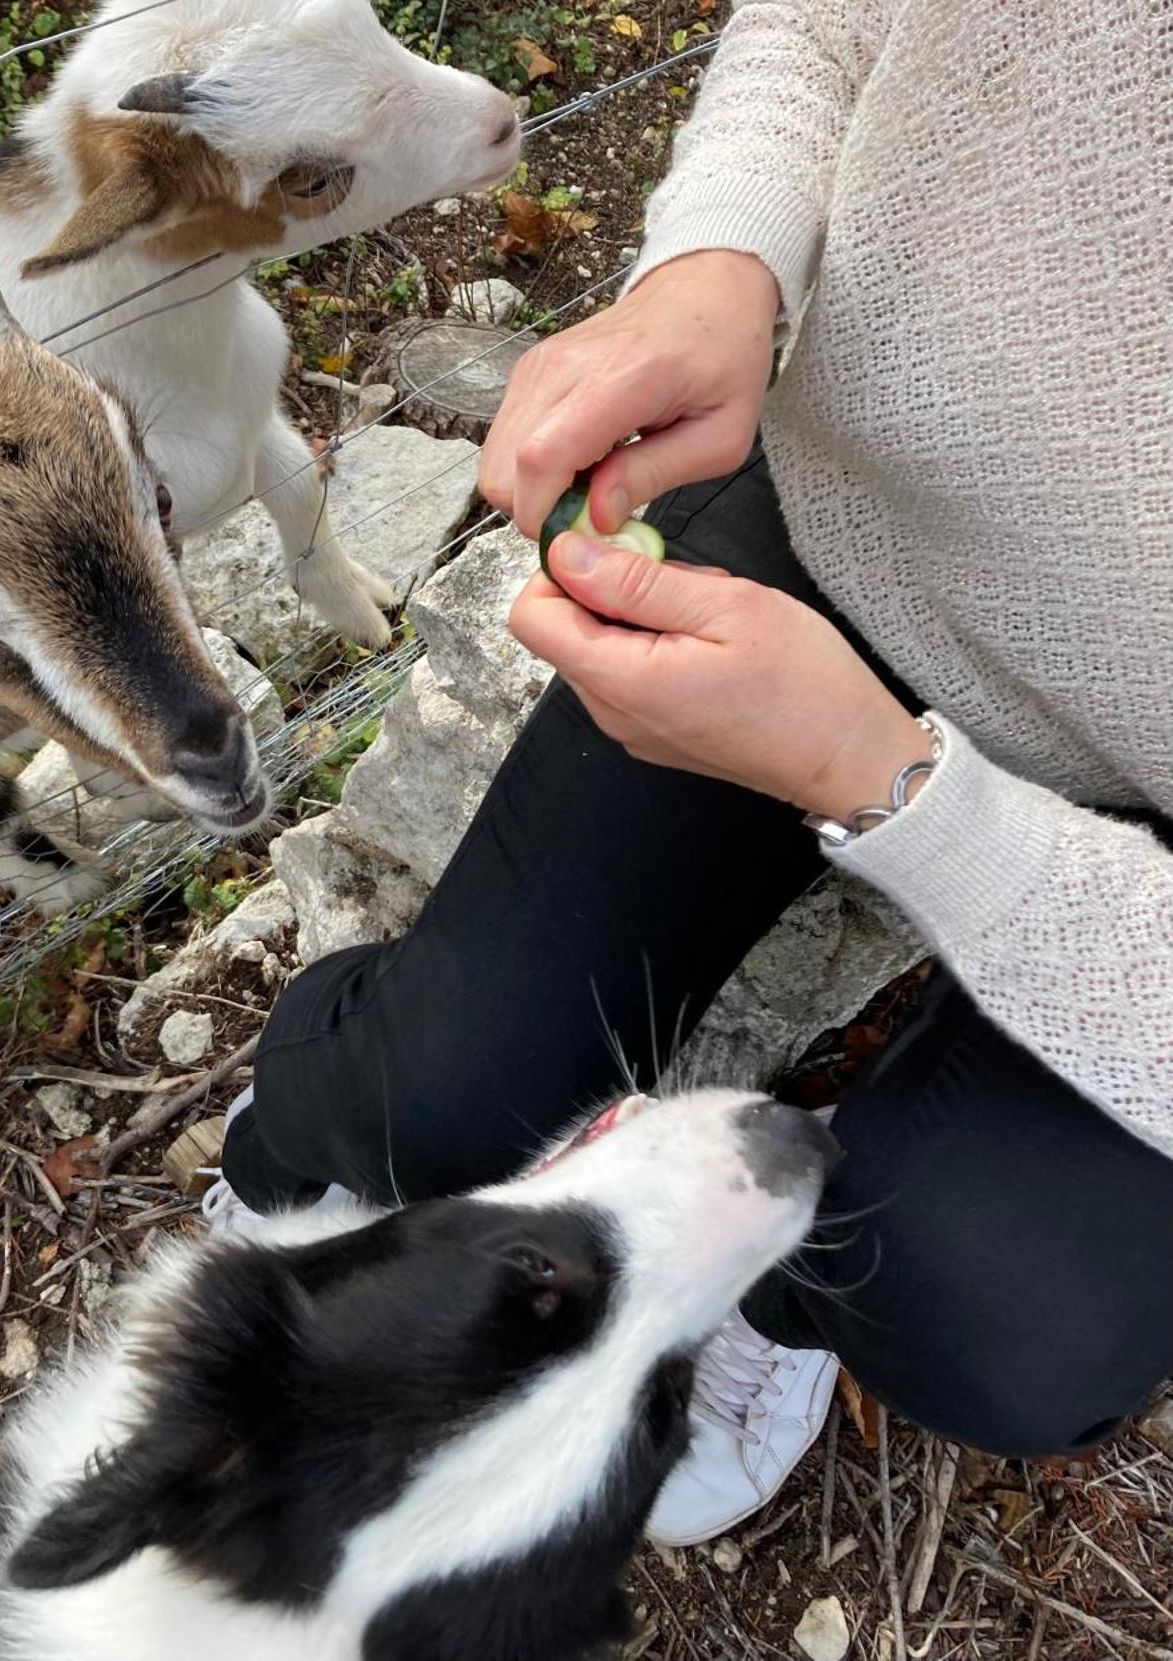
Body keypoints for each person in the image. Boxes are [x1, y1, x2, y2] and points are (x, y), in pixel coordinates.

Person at [209, 0, 1173, 1544]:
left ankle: (766, 1306)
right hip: (845, 528)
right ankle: (292, 1145)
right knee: (438, 1093)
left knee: (997, 1314)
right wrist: (720, 260)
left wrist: (898, 795)